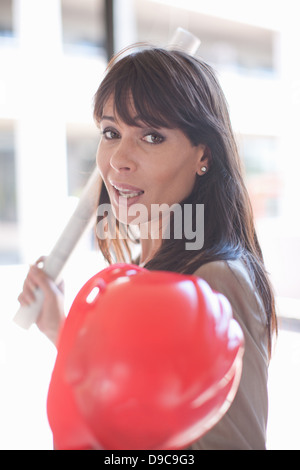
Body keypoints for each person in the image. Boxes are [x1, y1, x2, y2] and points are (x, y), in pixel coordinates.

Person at [18, 46, 277, 450]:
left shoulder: (214, 280)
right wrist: (62, 328)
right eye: (111, 133)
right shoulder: (148, 265)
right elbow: (137, 393)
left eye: (151, 137)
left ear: (202, 155)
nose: (119, 159)